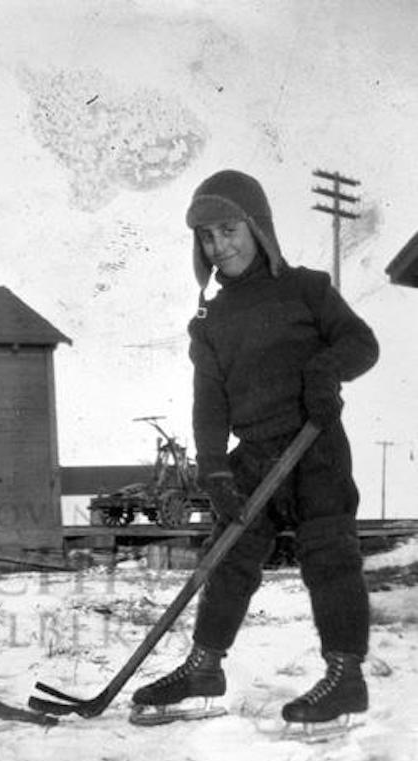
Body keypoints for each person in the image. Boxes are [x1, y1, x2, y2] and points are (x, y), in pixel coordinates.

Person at [131, 169, 379, 725]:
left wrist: (324, 371)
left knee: (330, 554)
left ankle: (346, 677)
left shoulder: (307, 288)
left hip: (314, 446)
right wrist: (215, 472)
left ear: (258, 227)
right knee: (229, 557)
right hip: (256, 457)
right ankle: (203, 665)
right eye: (207, 237)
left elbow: (361, 343)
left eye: (228, 229)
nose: (220, 245)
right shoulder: (211, 321)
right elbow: (210, 404)